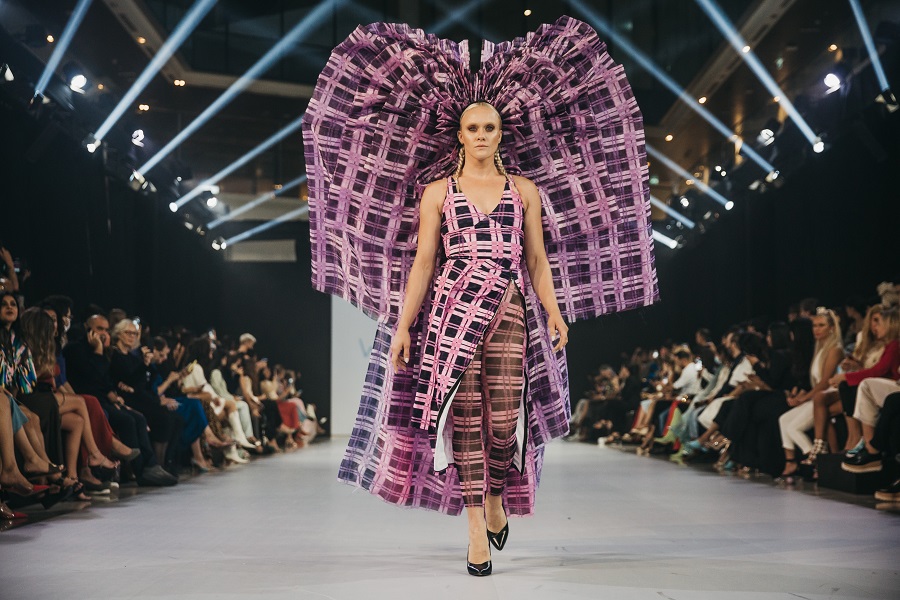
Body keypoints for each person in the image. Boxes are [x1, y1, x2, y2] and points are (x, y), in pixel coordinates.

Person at [305, 18, 658, 577]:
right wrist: (403, 325)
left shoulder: (525, 191)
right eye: (473, 127)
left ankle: (495, 496)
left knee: (504, 419)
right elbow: (424, 263)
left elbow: (537, 261)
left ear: (501, 132)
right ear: (459, 134)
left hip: (510, 307)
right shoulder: (437, 193)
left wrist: (555, 312)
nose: (482, 135)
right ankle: (475, 526)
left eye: (490, 127)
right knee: (465, 419)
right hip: (451, 310)